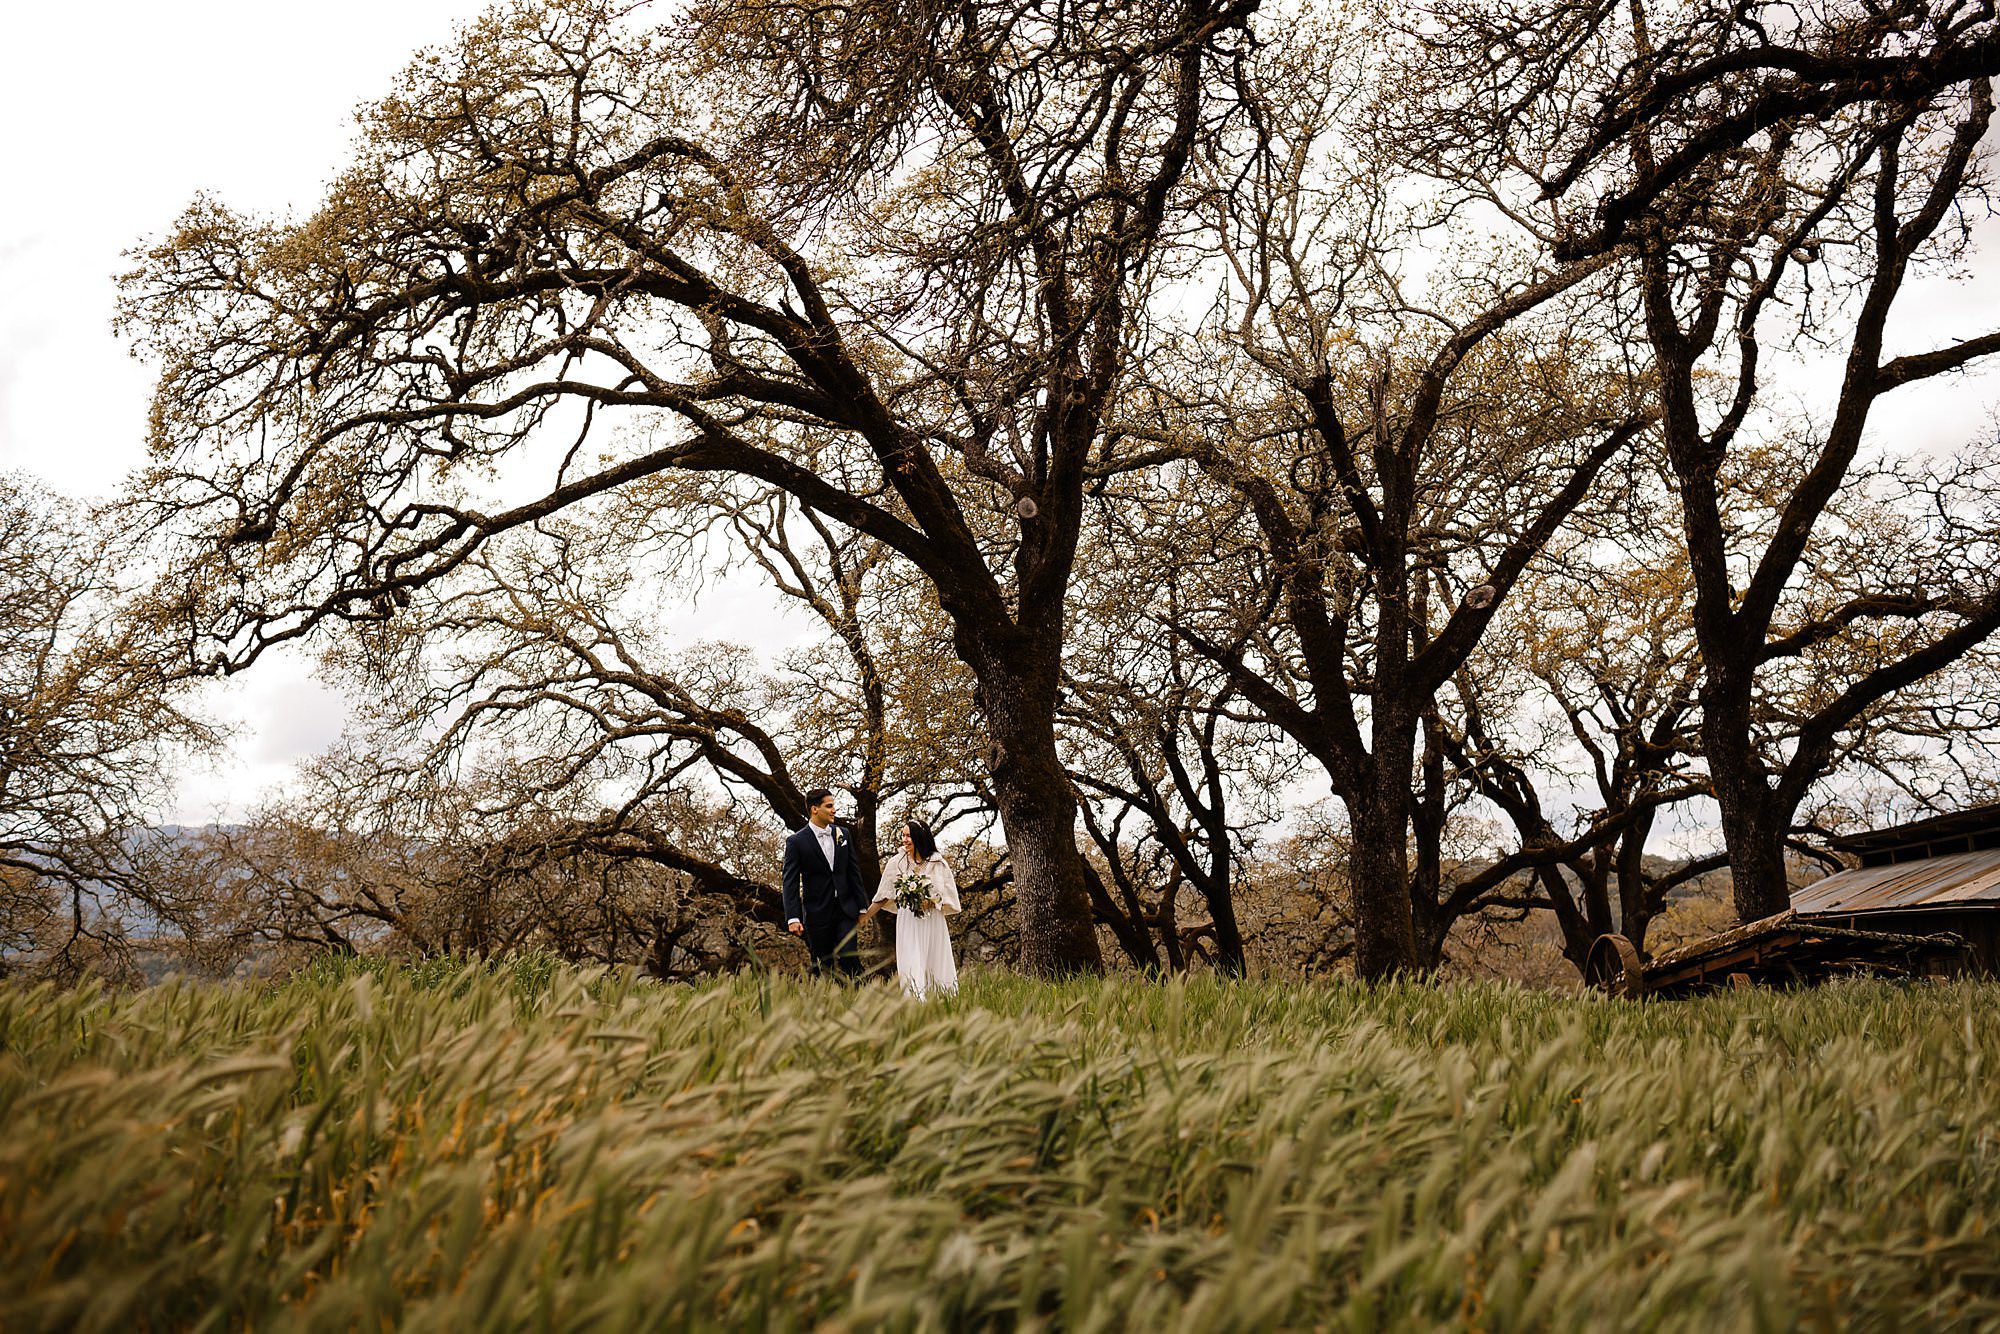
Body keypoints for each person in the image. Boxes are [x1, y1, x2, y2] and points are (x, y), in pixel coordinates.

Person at [865, 817, 959, 997]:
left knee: (935, 961)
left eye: (909, 836)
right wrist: (865, 916)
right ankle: (915, 1002)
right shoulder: (897, 862)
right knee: (911, 960)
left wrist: (930, 901)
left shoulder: (938, 863)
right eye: (903, 835)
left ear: (919, 837)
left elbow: (948, 895)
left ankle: (942, 1000)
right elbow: (884, 895)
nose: (905, 839)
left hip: (933, 920)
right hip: (908, 919)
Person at [781, 788, 866, 978]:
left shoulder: (843, 833)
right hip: (817, 911)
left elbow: (853, 872)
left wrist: (861, 907)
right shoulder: (796, 841)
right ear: (814, 809)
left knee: (849, 957)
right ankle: (828, 1002)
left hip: (845, 909)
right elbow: (790, 882)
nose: (834, 810)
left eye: (833, 805)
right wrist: (793, 917)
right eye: (829, 806)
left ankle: (864, 999)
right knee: (822, 964)